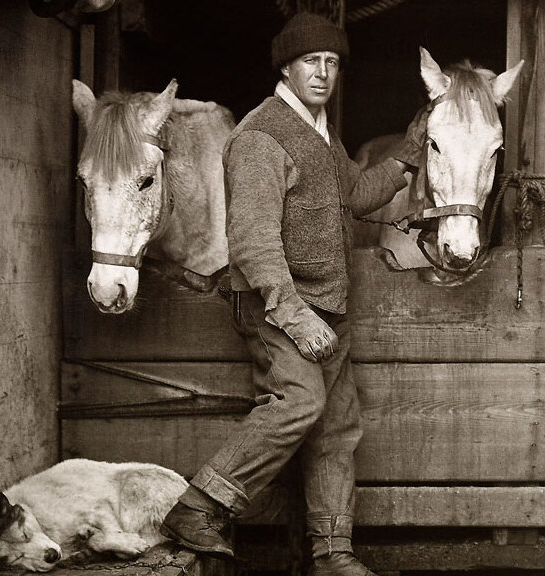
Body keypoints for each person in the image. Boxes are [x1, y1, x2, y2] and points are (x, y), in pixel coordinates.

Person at [159, 11, 425, 576]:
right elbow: (252, 241)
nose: (324, 72)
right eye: (312, 61)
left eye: (332, 63)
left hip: (328, 304)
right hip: (283, 306)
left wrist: (406, 156)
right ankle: (199, 506)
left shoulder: (318, 131)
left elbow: (355, 194)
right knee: (299, 403)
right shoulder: (261, 135)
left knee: (337, 425)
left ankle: (332, 554)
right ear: (286, 65)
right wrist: (293, 314)